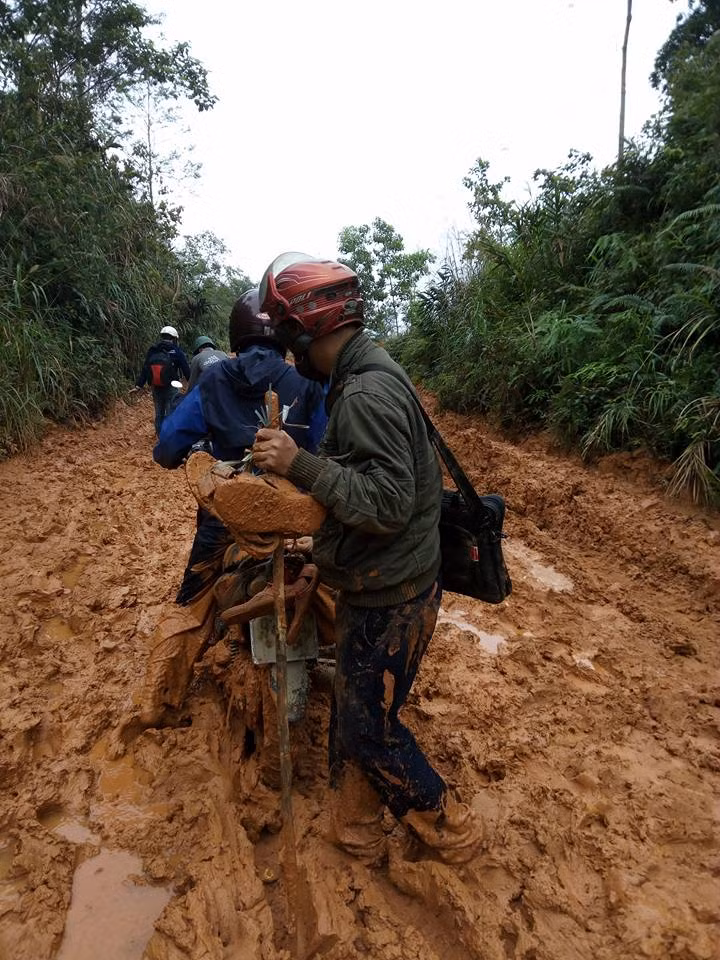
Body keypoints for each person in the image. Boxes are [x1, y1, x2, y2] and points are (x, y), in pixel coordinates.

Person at [252, 253, 483, 865]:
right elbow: (366, 482)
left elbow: (385, 503)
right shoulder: (369, 370)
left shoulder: (364, 393)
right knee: (359, 709)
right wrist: (324, 557)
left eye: (288, 334)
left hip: (392, 594)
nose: (288, 351)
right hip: (382, 578)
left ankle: (449, 826)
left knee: (369, 728)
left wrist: (298, 464)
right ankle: (354, 825)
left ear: (307, 327)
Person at [111, 289, 327, 752]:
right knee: (334, 588)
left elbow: (168, 447)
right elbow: (330, 449)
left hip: (227, 522)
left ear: (236, 335)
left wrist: (192, 451)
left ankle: (157, 704)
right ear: (284, 338)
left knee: (191, 605)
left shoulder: (213, 380)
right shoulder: (307, 382)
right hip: (296, 524)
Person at [135, 325, 191, 436]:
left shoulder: (153, 350)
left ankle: (160, 436)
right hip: (172, 386)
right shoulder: (176, 351)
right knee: (171, 412)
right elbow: (186, 369)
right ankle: (169, 437)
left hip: (156, 386)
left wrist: (139, 385)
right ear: (174, 338)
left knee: (159, 413)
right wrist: (192, 383)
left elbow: (146, 368)